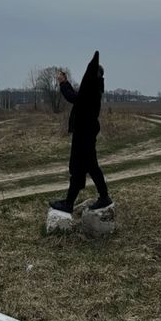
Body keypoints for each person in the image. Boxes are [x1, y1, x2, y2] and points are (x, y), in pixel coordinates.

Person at [49, 51, 112, 214]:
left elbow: (73, 97)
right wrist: (66, 83)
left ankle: (102, 197)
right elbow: (77, 97)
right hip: (85, 135)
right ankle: (70, 202)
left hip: (85, 136)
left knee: (87, 167)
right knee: (81, 169)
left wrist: (63, 83)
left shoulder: (91, 90)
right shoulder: (93, 89)